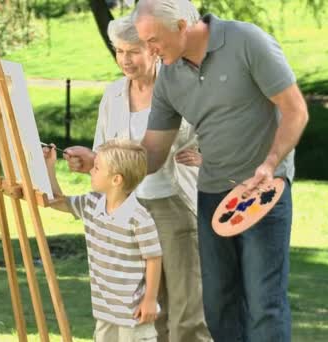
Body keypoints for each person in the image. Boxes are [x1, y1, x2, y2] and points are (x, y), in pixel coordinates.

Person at [127, 0, 309, 341]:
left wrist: (271, 165)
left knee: (263, 302)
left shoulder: (247, 41)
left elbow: (295, 110)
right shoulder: (170, 75)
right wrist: (102, 163)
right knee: (218, 304)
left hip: (263, 190)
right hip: (212, 193)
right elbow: (153, 151)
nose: (148, 50)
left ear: (181, 26)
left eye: (153, 40)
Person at [64, 15, 211, 342]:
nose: (125, 60)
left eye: (133, 51)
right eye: (119, 51)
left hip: (174, 206)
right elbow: (104, 155)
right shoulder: (113, 95)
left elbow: (221, 130)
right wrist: (89, 163)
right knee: (144, 311)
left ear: (154, 50)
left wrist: (210, 158)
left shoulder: (182, 88)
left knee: (187, 309)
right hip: (128, 211)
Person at [43, 139, 162, 341]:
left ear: (116, 179)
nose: (91, 171)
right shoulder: (91, 204)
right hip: (105, 309)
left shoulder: (139, 218)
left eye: (97, 168)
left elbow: (154, 258)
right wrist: (49, 166)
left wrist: (149, 300)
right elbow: (56, 200)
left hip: (133, 313)